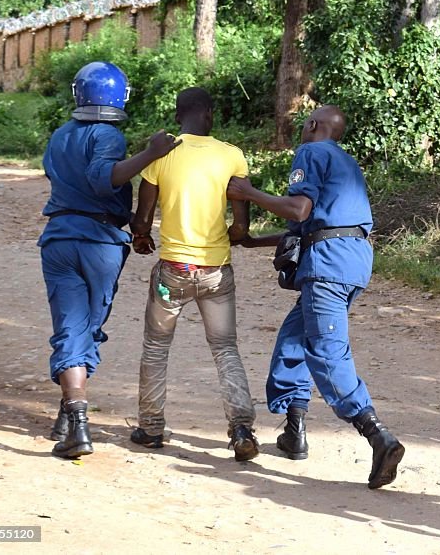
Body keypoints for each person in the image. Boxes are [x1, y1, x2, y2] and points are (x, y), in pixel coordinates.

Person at [226, 105, 405, 489]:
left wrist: (249, 193)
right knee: (294, 340)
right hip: (351, 261)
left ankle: (377, 434)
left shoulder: (311, 151)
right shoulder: (347, 162)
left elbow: (299, 208)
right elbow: (315, 225)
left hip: (328, 265)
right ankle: (295, 431)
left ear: (312, 126)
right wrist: (255, 241)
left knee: (327, 350)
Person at [39, 61, 179, 459]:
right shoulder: (108, 135)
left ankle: (70, 417)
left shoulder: (60, 136)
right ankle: (77, 424)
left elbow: (71, 184)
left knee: (70, 327)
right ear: (120, 95)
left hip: (59, 239)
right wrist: (150, 154)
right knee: (88, 328)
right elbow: (104, 180)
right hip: (99, 243)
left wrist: (135, 222)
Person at [128, 87, 259, 461]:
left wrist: (140, 238)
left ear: (176, 116)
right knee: (225, 348)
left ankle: (151, 428)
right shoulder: (232, 155)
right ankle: (241, 429)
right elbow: (241, 227)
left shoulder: (162, 154)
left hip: (173, 273)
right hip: (217, 273)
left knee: (156, 347)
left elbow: (143, 218)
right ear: (210, 115)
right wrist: (230, 238)